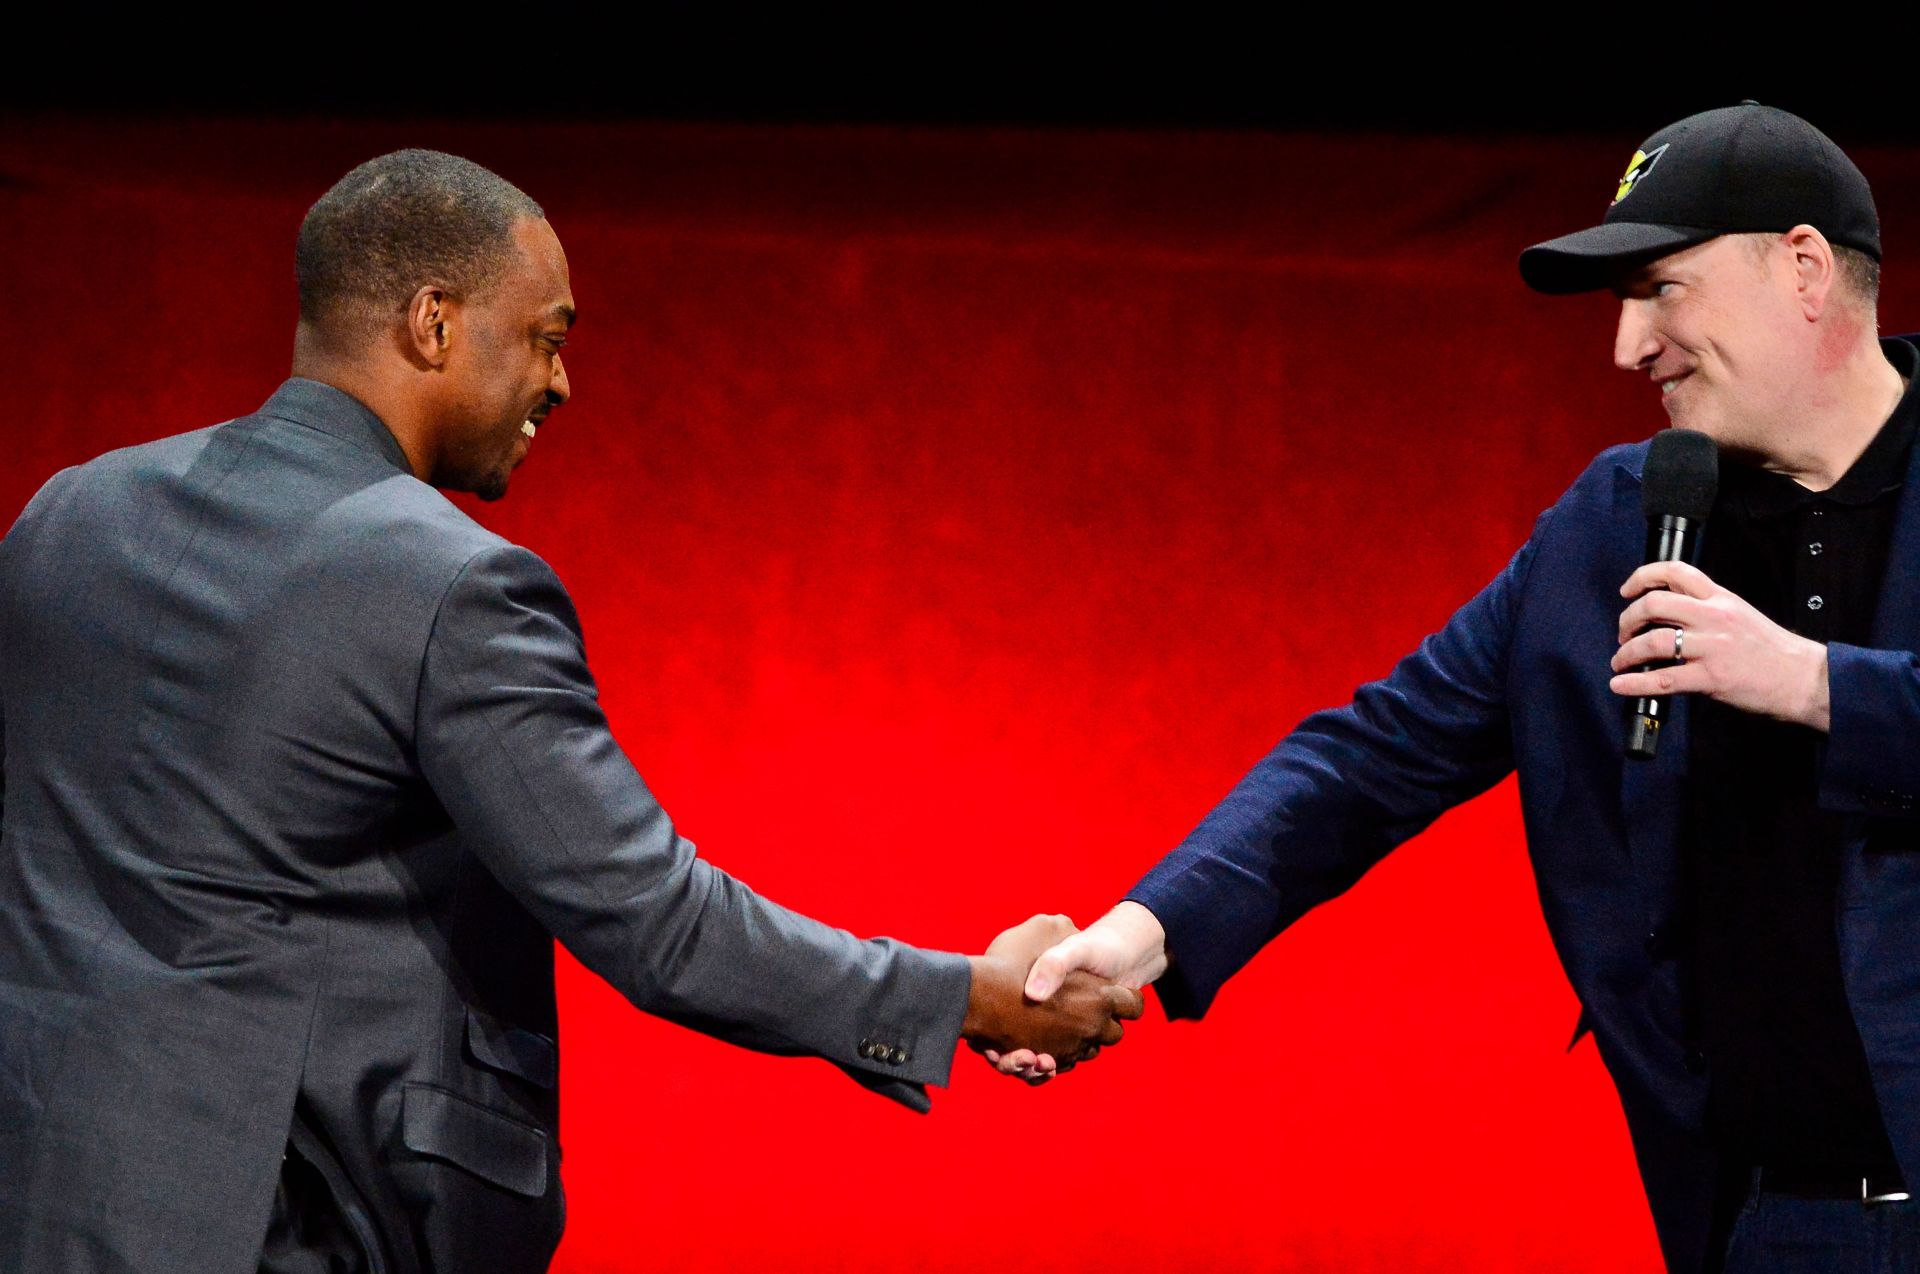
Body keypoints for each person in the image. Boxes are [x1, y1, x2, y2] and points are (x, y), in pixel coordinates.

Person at [0, 149, 1141, 1274]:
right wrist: (971, 1000)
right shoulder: (452, 584)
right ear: (435, 323)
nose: (561, 383)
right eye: (547, 337)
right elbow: (658, 921)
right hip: (283, 1222)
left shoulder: (67, 515)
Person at [992, 102, 1920, 1273]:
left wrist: (1814, 683)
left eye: (1662, 288)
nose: (1628, 346)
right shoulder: (1612, 527)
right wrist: (1148, 932)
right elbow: (1371, 753)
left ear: (1799, 268)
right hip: (1770, 1225)